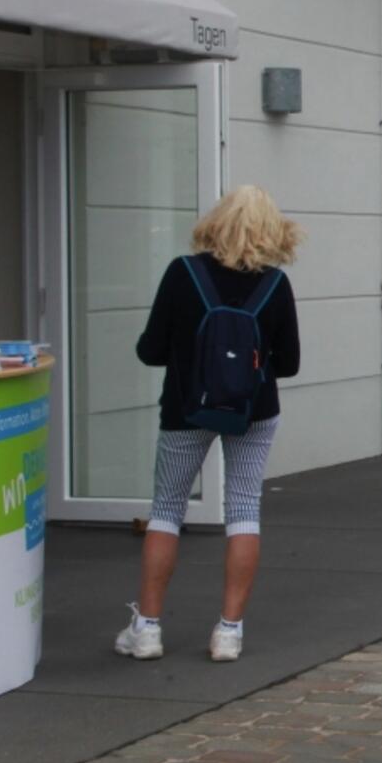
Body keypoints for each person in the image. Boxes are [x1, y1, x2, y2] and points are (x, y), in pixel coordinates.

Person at [116, 185, 302, 663]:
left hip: (185, 408)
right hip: (254, 410)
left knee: (167, 509)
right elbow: (290, 365)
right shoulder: (275, 286)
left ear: (216, 222)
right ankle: (229, 632)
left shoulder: (183, 274)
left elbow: (150, 350)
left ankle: (149, 629)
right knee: (243, 509)